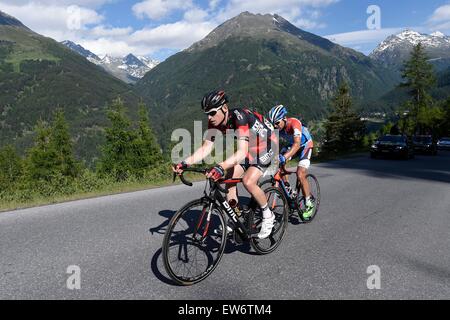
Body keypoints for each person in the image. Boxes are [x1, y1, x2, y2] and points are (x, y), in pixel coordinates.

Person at [173, 90, 278, 239]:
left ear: (224, 108)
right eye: (206, 114)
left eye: (212, 112)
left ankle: (268, 216)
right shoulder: (213, 123)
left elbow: (241, 152)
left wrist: (220, 166)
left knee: (248, 181)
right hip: (250, 149)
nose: (209, 117)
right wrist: (184, 163)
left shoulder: (239, 117)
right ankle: (236, 218)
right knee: (227, 179)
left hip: (267, 145)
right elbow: (205, 148)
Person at [268, 104, 315, 219]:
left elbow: (297, 144)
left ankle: (309, 203)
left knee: (300, 173)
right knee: (279, 168)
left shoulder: (294, 123)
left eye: (277, 123)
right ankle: (289, 191)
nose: (275, 126)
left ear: (284, 118)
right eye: (273, 124)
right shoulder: (276, 128)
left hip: (305, 146)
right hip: (291, 146)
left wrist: (285, 157)